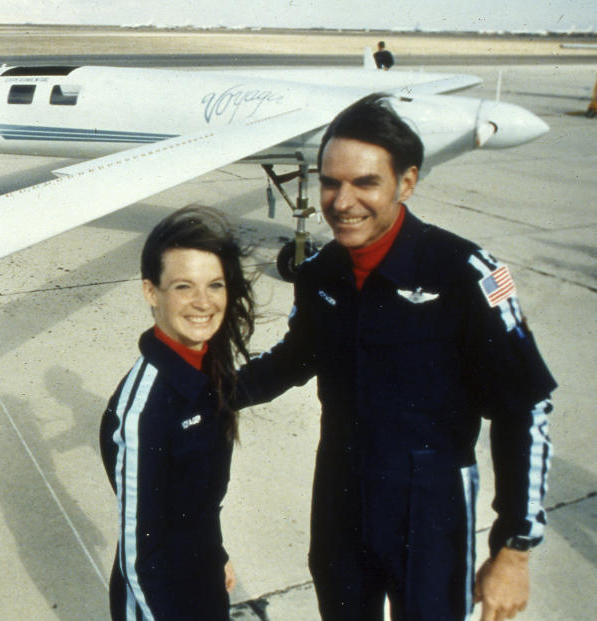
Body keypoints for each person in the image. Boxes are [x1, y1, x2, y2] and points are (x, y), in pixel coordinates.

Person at [236, 94, 556, 621]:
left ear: (406, 183)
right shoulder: (320, 272)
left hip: (429, 511)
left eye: (365, 183)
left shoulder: (464, 273)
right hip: (340, 500)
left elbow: (526, 407)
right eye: (331, 182)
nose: (342, 201)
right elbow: (295, 357)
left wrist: (514, 549)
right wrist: (212, 387)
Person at [100, 205, 256, 620]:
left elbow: (198, 500)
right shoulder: (144, 410)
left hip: (202, 576)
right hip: (159, 599)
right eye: (184, 286)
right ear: (152, 292)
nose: (203, 302)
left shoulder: (206, 370)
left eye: (215, 285)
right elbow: (139, 552)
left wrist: (216, 552)